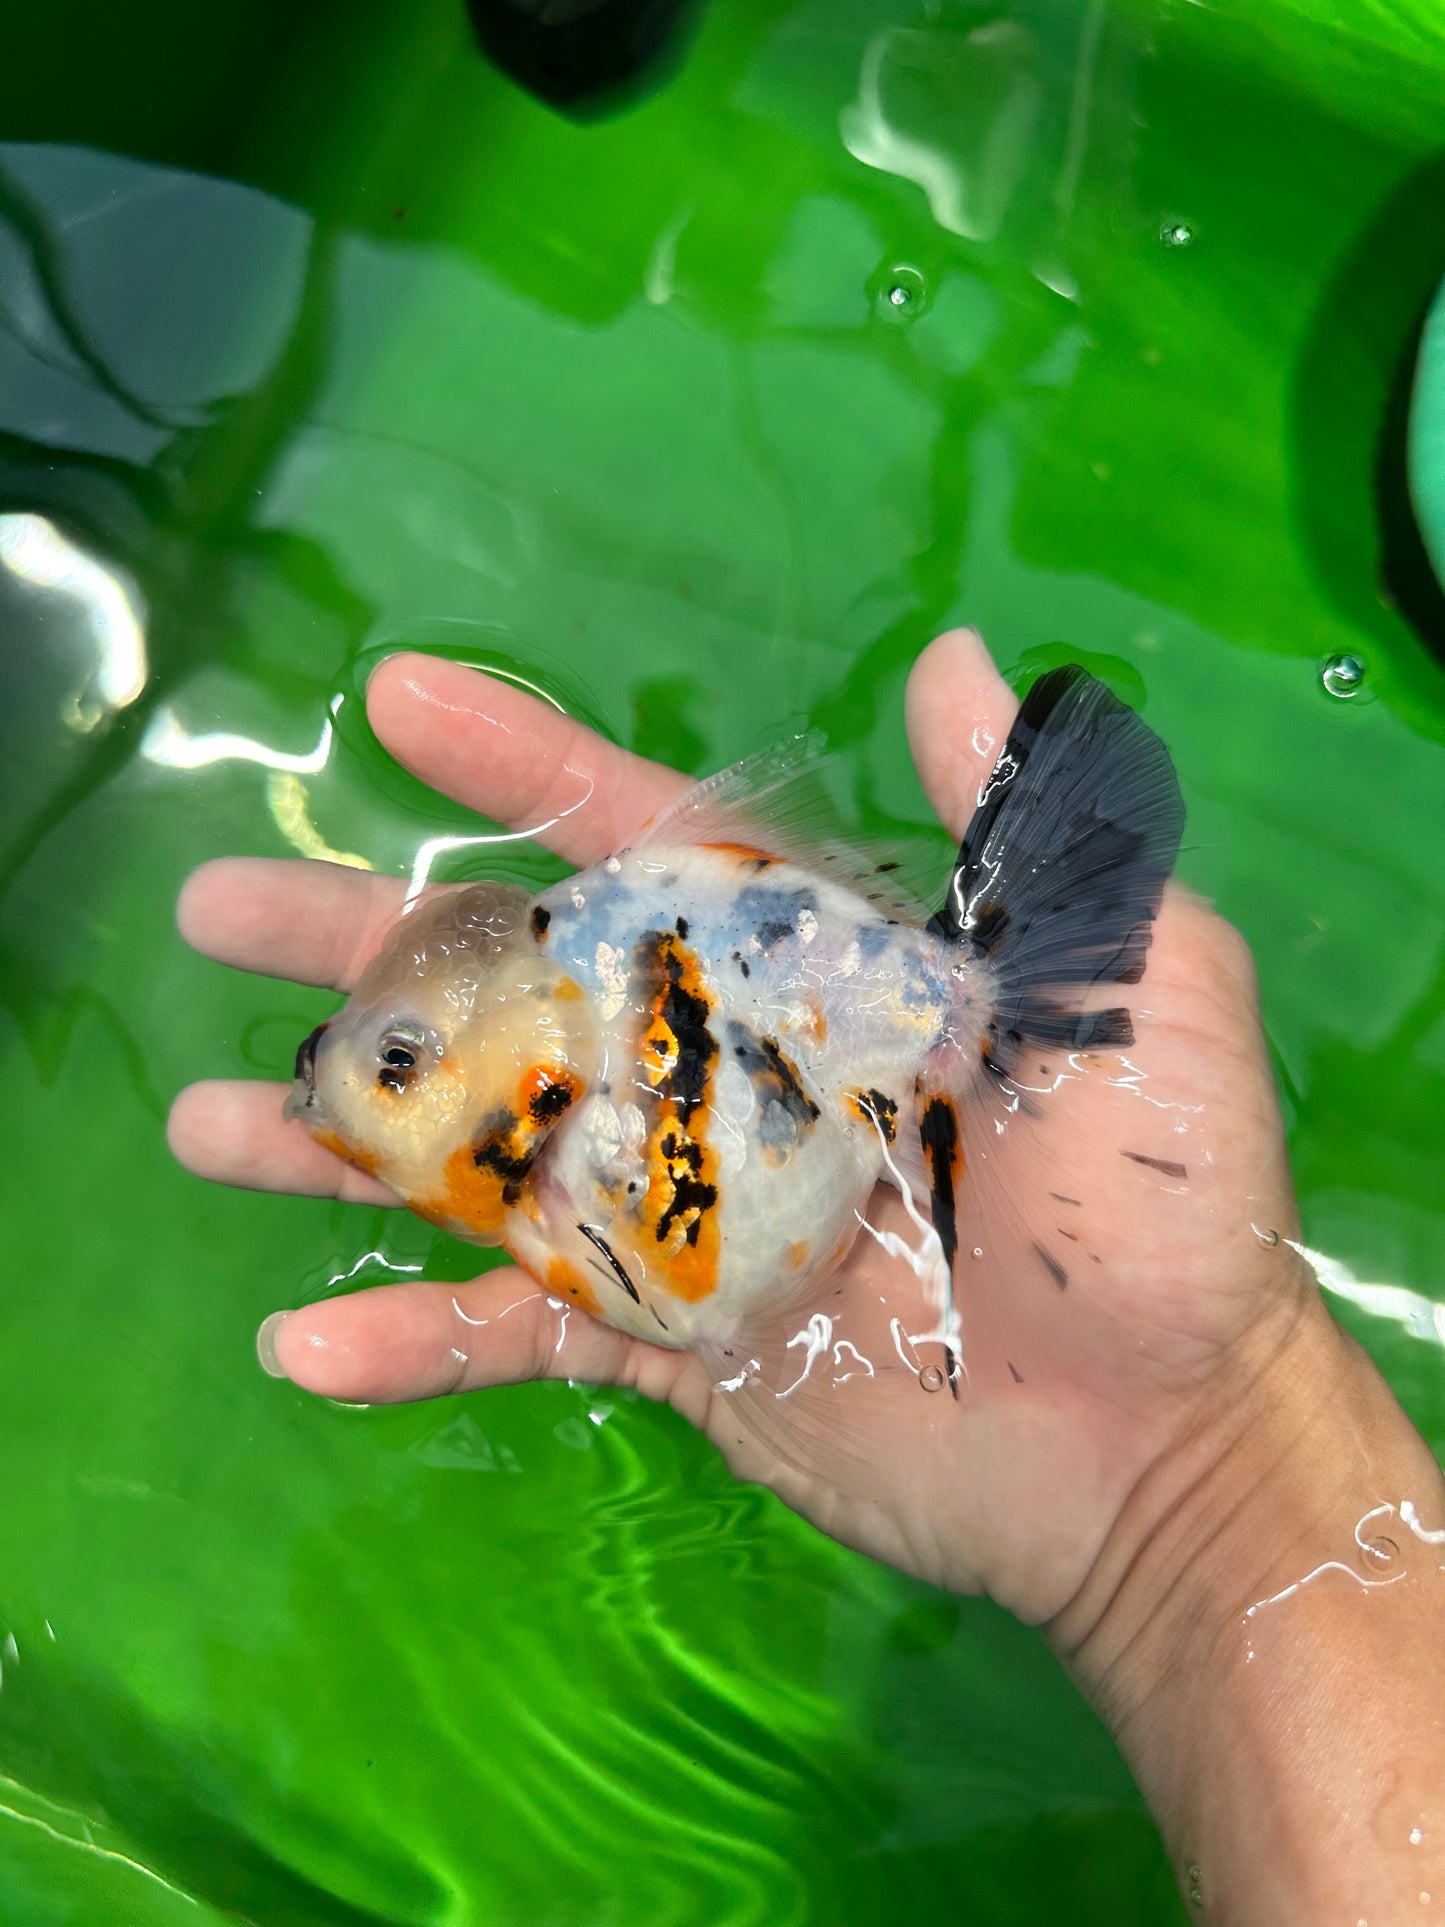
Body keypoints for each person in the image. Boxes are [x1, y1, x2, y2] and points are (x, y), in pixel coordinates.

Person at [169, 629, 1445, 1921]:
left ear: (537, 1073)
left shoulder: (584, 1105)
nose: (378, 1100)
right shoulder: (565, 1120)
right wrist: (1208, 1480)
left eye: (400, 1069)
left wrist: (1202, 1454)